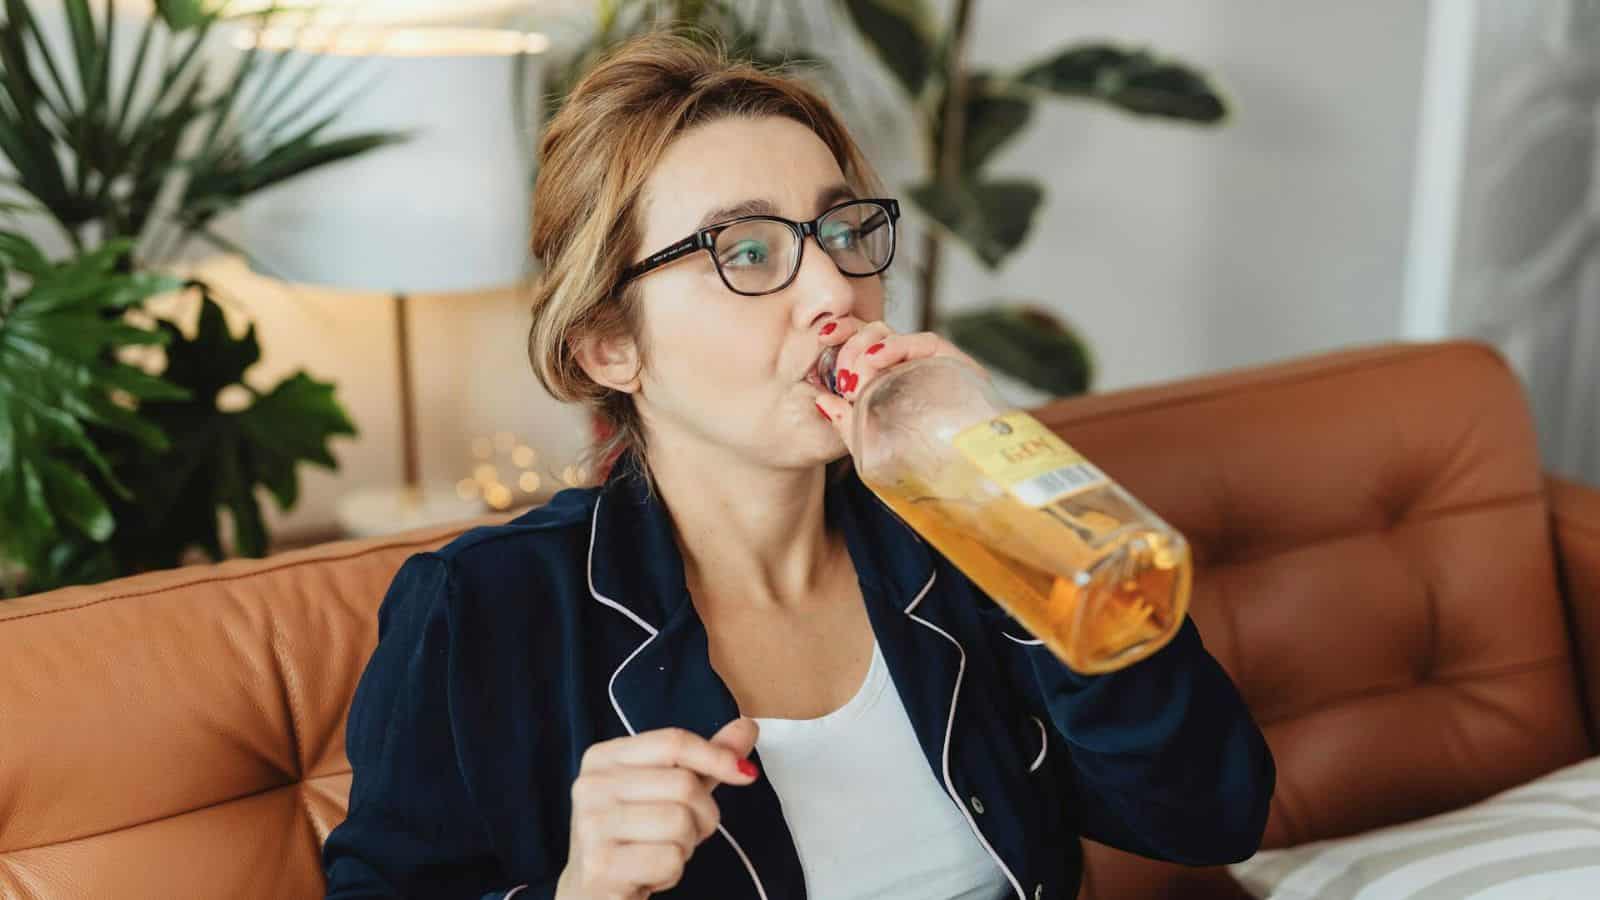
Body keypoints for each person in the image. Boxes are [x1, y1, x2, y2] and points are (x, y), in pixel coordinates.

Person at [322, 32, 1275, 900]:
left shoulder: (968, 532)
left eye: (844, 232)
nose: (835, 289)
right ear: (609, 346)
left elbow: (1207, 814)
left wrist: (1012, 495)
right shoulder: (483, 611)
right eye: (745, 251)